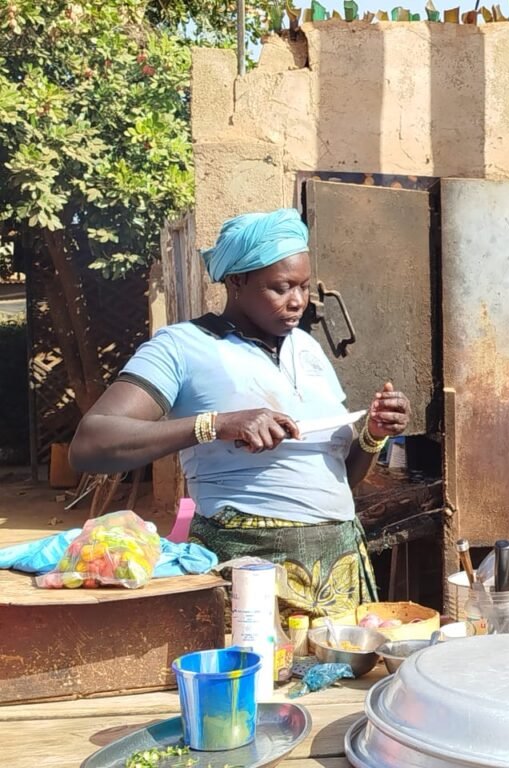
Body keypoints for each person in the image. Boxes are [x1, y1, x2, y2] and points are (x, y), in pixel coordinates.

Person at [69, 208, 411, 618]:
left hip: (336, 574)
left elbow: (341, 477)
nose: (298, 301)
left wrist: (374, 434)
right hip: (248, 577)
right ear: (236, 281)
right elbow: (92, 443)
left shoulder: (306, 348)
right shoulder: (181, 347)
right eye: (281, 288)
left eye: (304, 286)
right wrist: (216, 424)